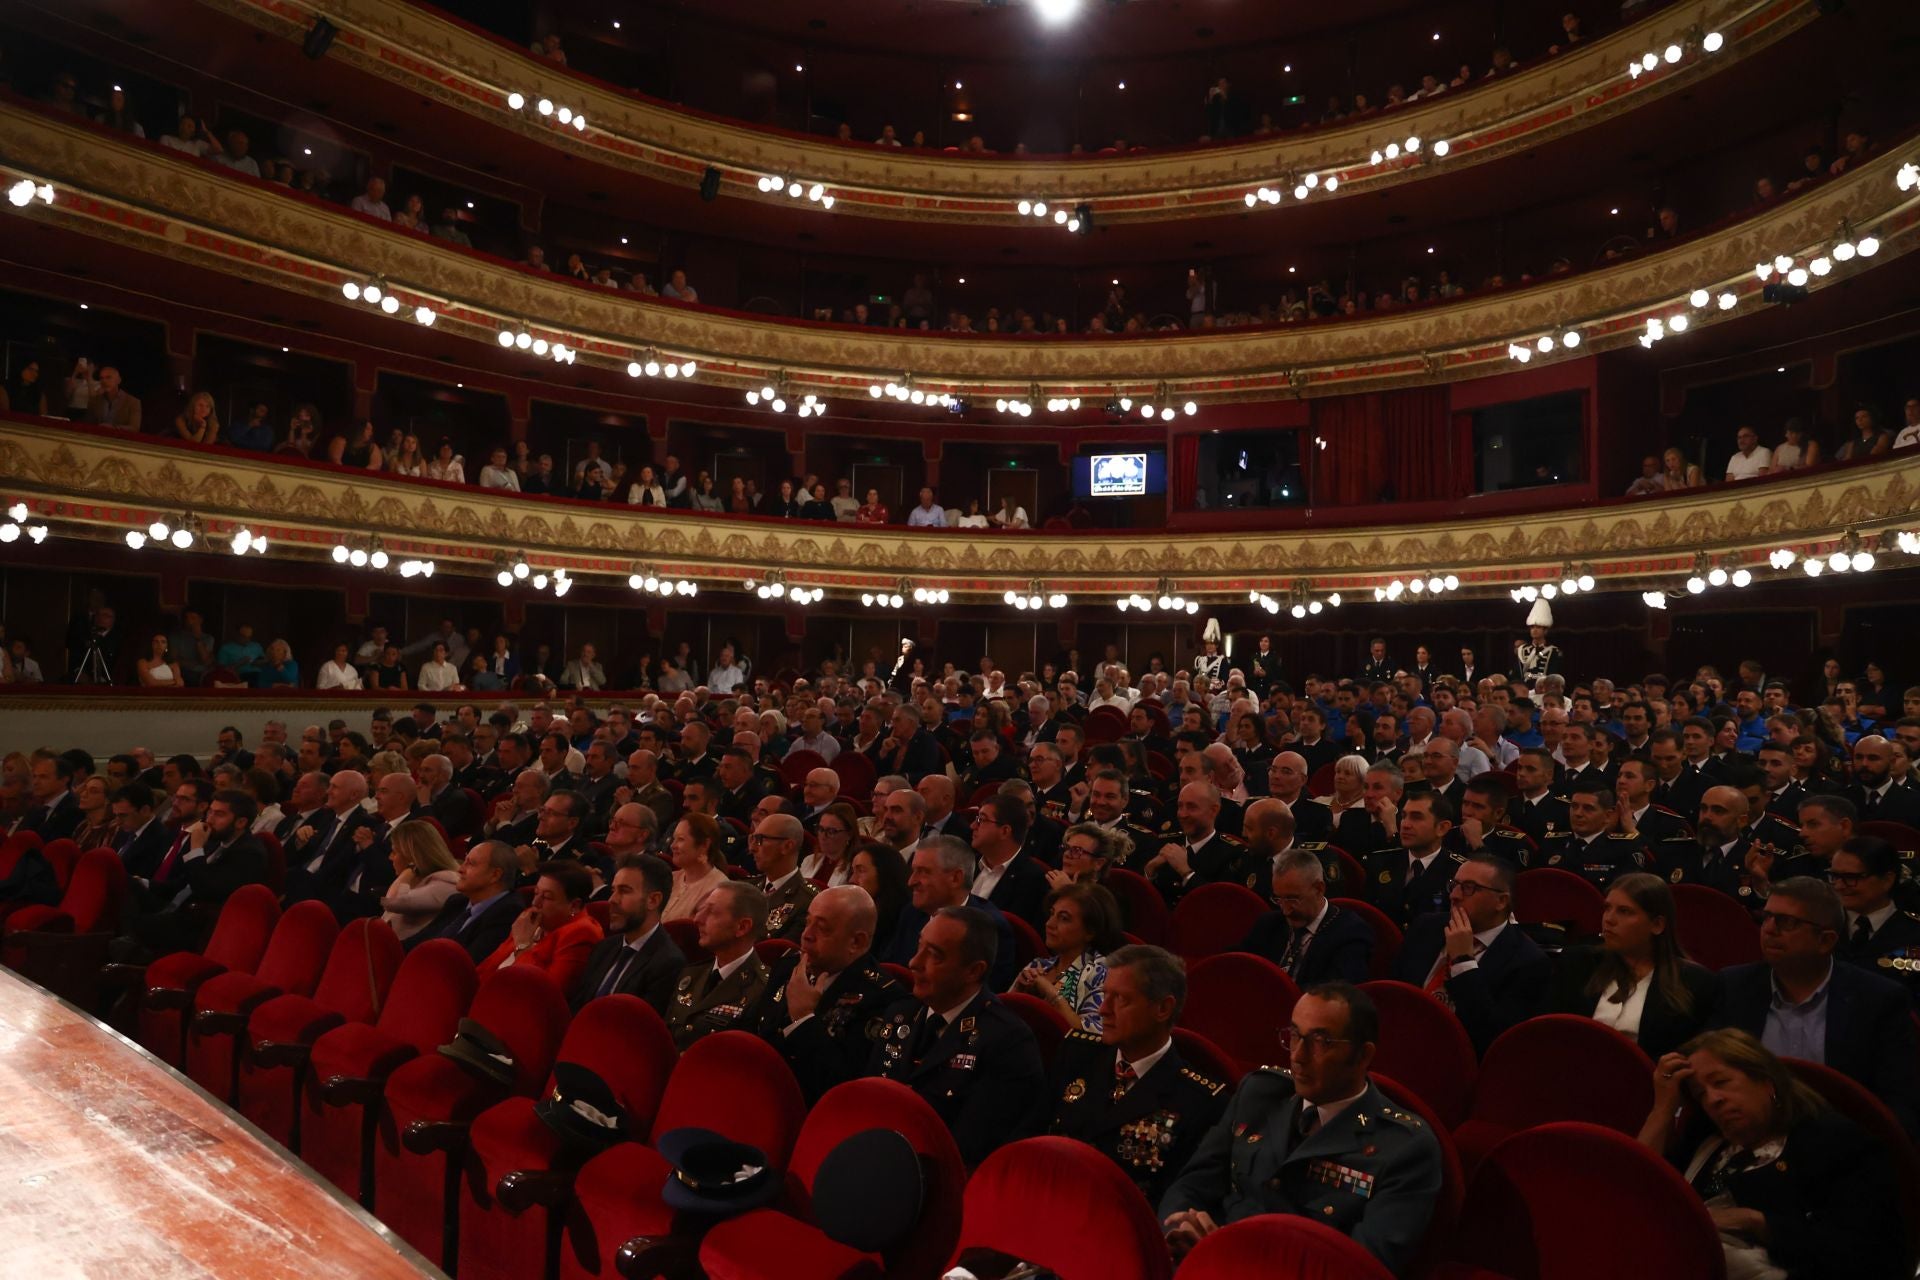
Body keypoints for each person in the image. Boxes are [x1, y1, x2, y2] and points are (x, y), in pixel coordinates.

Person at [1159, 982, 1443, 1273]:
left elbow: (1359, 1268)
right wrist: (1179, 1227)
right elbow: (1191, 1184)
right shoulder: (1261, 1093)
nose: (1298, 1055)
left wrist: (1231, 1257)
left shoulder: (1405, 1147)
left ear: (1363, 1056)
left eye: (1321, 1041)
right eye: (1295, 1035)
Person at [1637, 1029, 1905, 1279]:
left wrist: (1755, 1221)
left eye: (1721, 1082)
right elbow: (1636, 1190)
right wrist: (1663, 1108)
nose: (1713, 1099)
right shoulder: (1709, 1141)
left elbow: (1867, 1254)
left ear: (1767, 1082)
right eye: (1701, 1094)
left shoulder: (1835, 1144)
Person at [1710, 876, 1918, 1134]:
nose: (1770, 929)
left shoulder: (1878, 1000)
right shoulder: (1733, 986)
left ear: (1826, 941)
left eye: (1787, 922)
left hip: (1842, 1142)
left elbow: (1899, 1103)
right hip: (1748, 1134)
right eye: (1767, 917)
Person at [864, 906, 1046, 1166]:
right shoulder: (901, 1013)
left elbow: (968, 1152)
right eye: (919, 946)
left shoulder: (1007, 1042)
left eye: (935, 955)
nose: (914, 963)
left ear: (973, 971)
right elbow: (868, 1100)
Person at [1050, 944, 1228, 1205]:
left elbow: (1175, 1201)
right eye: (1104, 995)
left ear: (1163, 1009)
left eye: (1121, 999)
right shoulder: (1078, 1055)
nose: (1103, 1010)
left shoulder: (1200, 1100)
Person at [744, 884, 902, 1100]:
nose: (806, 935)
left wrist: (804, 1019)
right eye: (808, 922)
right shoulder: (788, 965)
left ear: (857, 942)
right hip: (756, 1092)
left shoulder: (883, 998)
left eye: (823, 928)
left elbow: (842, 1086)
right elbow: (748, 1030)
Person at [1389, 853, 1550, 1055]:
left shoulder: (1528, 962)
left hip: (1458, 1059)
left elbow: (1492, 1037)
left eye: (1469, 888)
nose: (1454, 895)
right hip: (1401, 1042)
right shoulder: (1426, 927)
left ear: (1501, 901)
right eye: (1454, 884)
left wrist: (1463, 963)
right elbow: (1393, 994)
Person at [1552, 872, 1719, 1058]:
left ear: (1657, 925)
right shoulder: (1579, 963)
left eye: (1624, 911)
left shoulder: (1694, 983)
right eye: (1607, 908)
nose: (1609, 919)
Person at [1237, 847, 1374, 984]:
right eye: (1278, 899)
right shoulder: (1269, 924)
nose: (1286, 910)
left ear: (1319, 889)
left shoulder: (1349, 933)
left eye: (1293, 899)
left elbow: (1337, 995)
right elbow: (1236, 965)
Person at [573, 853, 684, 1012]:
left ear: (653, 900)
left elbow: (639, 1028)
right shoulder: (603, 948)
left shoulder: (668, 963)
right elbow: (578, 1006)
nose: (612, 899)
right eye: (613, 890)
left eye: (624, 891)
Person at [666, 880, 770, 1049]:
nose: (698, 919)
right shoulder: (690, 974)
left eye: (712, 912)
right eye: (702, 910)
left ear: (742, 927)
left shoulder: (762, 990)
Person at [1011, 882, 1123, 1031]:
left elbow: (1093, 1037)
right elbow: (1000, 1019)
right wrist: (1018, 992)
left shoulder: (1101, 974)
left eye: (1064, 918)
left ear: (1090, 932)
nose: (1049, 924)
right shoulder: (1038, 966)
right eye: (1052, 914)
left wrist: (1051, 994)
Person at [479, 860, 603, 992]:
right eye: (536, 893)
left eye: (547, 897)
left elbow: (545, 991)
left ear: (574, 906)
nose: (535, 902)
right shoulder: (531, 918)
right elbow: (488, 966)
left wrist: (523, 945)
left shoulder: (581, 933)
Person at [1832, 836, 1920, 1007]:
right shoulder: (1822, 923)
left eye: (1851, 877)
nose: (1839, 886)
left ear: (1887, 880)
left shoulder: (1915, 932)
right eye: (1835, 876)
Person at [407, 841, 523, 959]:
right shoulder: (458, 901)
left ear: (495, 875)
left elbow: (467, 964)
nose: (460, 869)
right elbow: (420, 940)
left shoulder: (507, 913)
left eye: (471, 864)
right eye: (464, 861)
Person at [377, 819, 463, 940]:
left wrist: (408, 870)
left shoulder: (447, 881)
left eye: (394, 852)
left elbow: (393, 902)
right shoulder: (417, 877)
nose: (390, 857)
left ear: (412, 856)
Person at [749, 812, 816, 942]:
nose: (752, 848)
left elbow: (777, 954)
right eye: (753, 839)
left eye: (760, 840)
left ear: (787, 846)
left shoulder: (807, 901)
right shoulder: (746, 888)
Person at [663, 812, 730, 920]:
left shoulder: (717, 889)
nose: (672, 846)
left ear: (704, 845)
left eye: (680, 839)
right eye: (674, 839)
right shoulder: (671, 879)